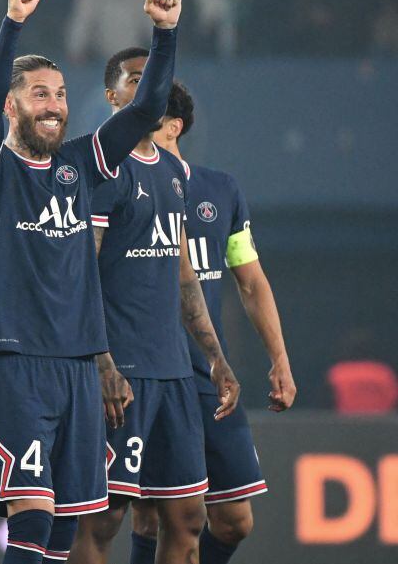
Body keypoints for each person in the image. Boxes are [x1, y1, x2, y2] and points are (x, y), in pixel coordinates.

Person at [0, 0, 180, 563]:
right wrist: (12, 23)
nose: (54, 105)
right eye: (39, 94)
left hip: (79, 366)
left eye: (59, 94)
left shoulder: (80, 163)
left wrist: (164, 33)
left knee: (63, 531)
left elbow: (146, 110)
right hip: (16, 363)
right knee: (33, 518)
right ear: (12, 106)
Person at [68, 57, 241, 564]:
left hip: (175, 374)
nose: (148, 86)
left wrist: (216, 358)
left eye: (153, 77)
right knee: (104, 518)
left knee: (188, 518)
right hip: (124, 373)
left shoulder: (172, 171)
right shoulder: (102, 172)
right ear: (113, 97)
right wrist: (102, 363)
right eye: (135, 79)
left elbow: (184, 276)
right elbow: (81, 275)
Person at [128, 81, 295, 564]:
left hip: (207, 375)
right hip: (146, 369)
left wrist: (279, 359)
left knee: (234, 520)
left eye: (145, 117)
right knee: (151, 514)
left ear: (173, 127)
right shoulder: (118, 185)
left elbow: (251, 281)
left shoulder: (219, 190)